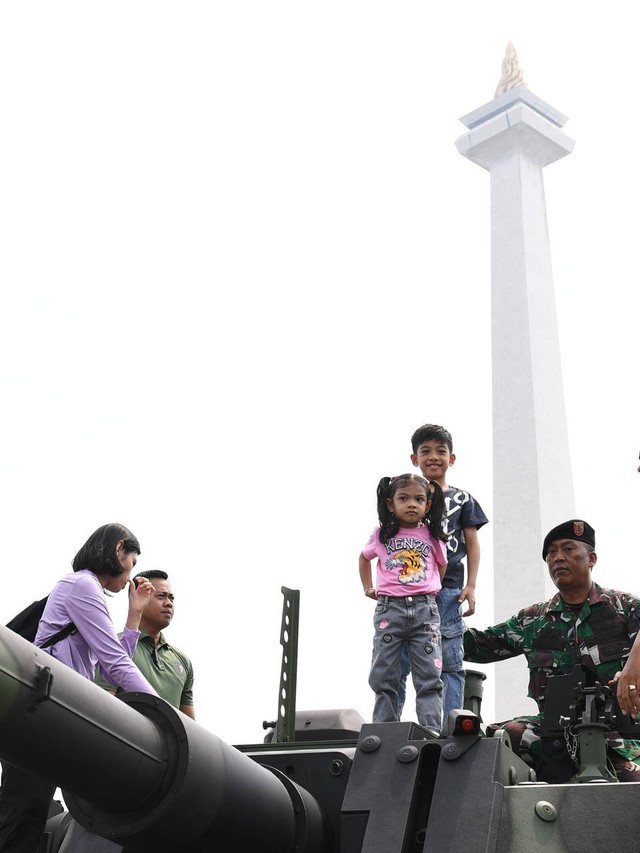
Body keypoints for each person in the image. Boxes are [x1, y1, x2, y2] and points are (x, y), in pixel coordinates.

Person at [0, 523, 159, 853]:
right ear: (118, 550)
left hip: (54, 713)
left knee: (32, 808)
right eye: (131, 562)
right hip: (39, 710)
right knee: (23, 810)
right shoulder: (81, 586)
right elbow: (115, 663)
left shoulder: (88, 590)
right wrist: (161, 708)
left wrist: (134, 614)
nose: (131, 572)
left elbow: (106, 668)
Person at [463, 519, 640, 781]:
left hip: (621, 736)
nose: (558, 558)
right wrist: (434, 602)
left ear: (591, 558)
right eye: (551, 553)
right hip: (555, 733)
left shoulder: (623, 608)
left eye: (569, 550)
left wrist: (632, 667)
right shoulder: (533, 620)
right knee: (501, 738)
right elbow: (475, 646)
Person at [398, 423, 488, 719]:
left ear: (452, 458)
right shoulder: (405, 497)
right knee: (398, 659)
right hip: (409, 591)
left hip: (449, 588)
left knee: (450, 659)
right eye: (426, 451)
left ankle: (452, 722)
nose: (433, 457)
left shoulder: (463, 499)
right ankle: (390, 724)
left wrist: (471, 585)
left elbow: (472, 544)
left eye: (441, 451)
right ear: (415, 458)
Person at [359, 474, 448, 732]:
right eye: (404, 498)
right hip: (390, 608)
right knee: (384, 673)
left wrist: (430, 588)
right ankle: (384, 729)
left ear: (428, 505)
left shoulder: (433, 537)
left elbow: (441, 566)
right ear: (391, 504)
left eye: (419, 499)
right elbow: (364, 558)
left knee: (430, 674)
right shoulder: (382, 535)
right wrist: (368, 587)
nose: (412, 504)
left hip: (424, 610)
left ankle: (431, 728)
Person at [95, 570, 195, 718]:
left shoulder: (182, 661)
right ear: (138, 596)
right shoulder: (113, 646)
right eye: (161, 596)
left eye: (171, 598)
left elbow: (190, 728)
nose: (168, 603)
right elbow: (101, 709)